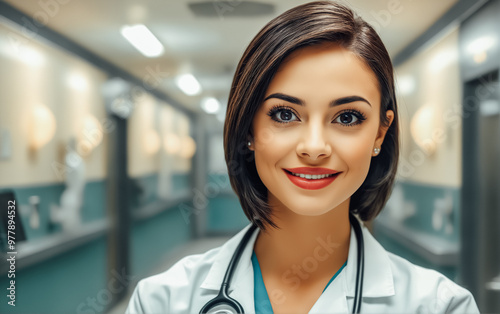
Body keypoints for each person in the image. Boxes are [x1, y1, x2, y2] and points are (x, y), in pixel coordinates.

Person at [125, 1, 479, 313]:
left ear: (380, 133)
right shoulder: (162, 302)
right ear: (249, 129)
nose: (313, 147)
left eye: (347, 117)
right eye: (284, 114)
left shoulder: (440, 306)